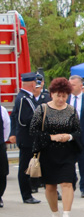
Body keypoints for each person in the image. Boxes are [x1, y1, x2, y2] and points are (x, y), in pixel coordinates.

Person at [30, 77, 81, 217]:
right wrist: (51, 137)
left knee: (67, 183)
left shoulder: (71, 110)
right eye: (58, 95)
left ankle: (66, 214)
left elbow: (78, 131)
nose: (61, 99)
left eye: (64, 96)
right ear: (52, 93)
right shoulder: (42, 109)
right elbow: (33, 131)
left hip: (66, 153)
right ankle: (55, 214)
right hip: (47, 152)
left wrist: (69, 136)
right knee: (50, 186)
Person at [10, 72, 41, 204]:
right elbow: (23, 120)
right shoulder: (24, 98)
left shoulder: (27, 97)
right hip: (27, 138)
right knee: (25, 167)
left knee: (31, 165)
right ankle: (26, 195)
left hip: (31, 138)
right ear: (33, 84)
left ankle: (32, 190)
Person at [0, 103, 9, 207]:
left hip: (0, 145)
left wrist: (3, 141)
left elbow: (7, 125)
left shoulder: (2, 110)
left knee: (2, 172)